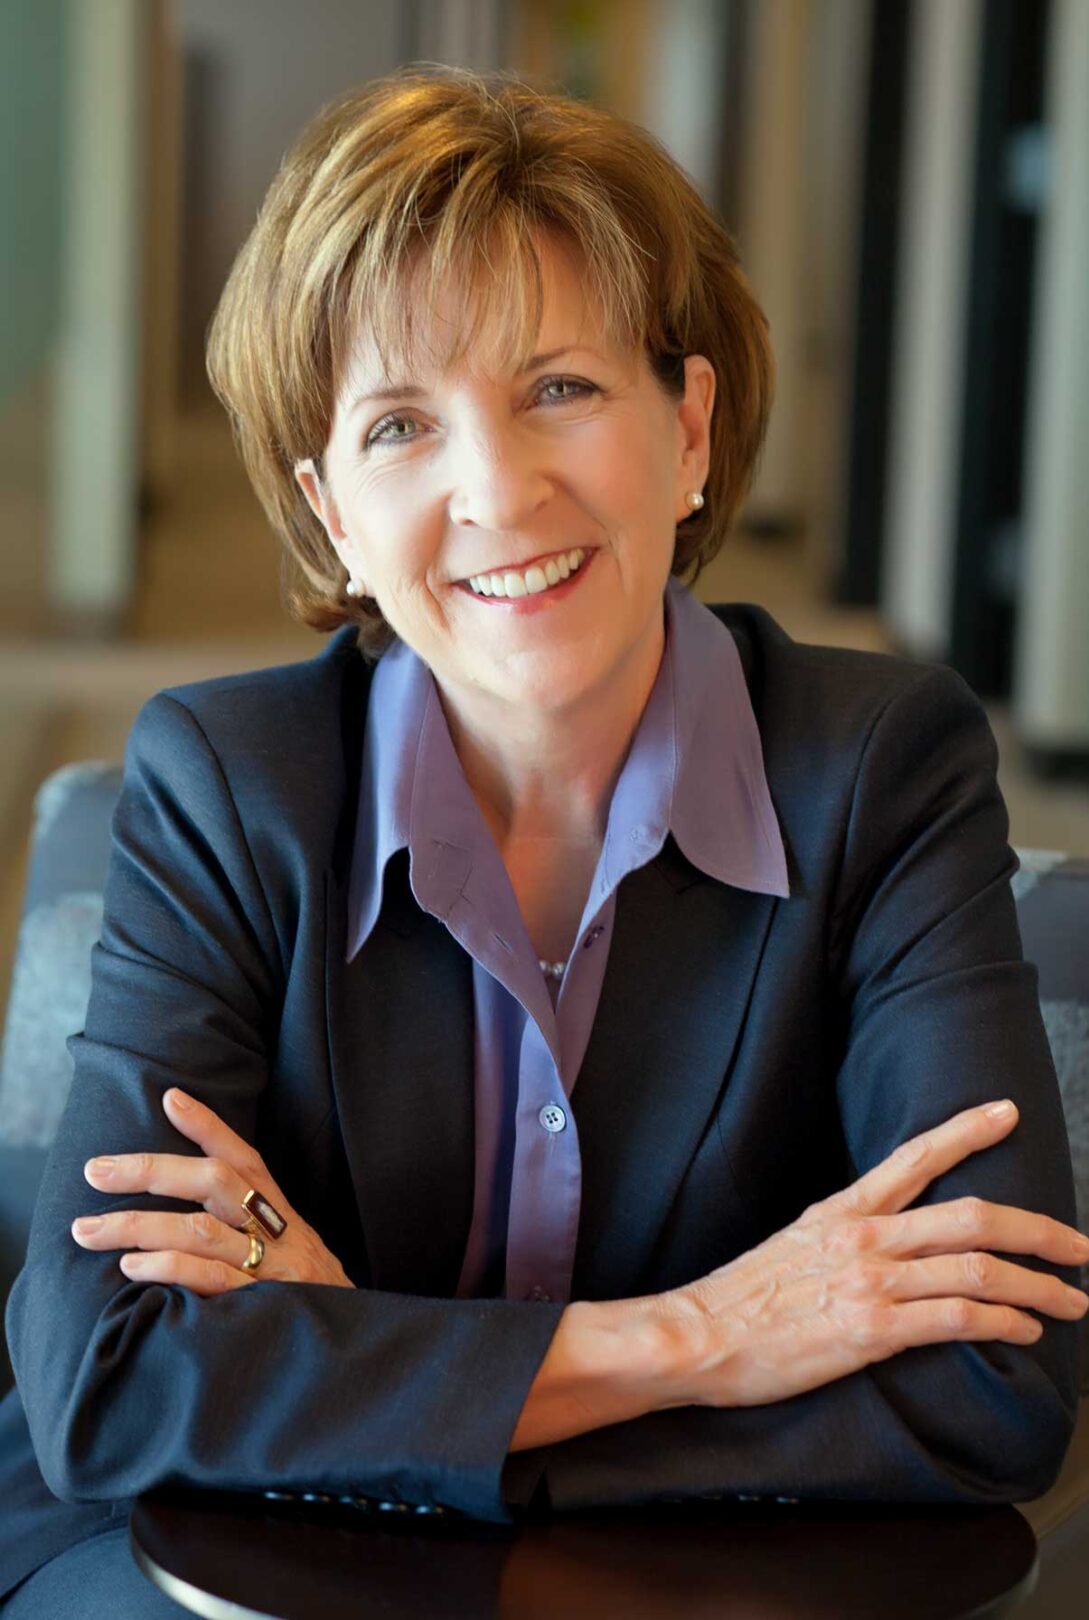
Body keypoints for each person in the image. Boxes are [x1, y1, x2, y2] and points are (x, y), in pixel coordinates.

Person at [1, 63, 1086, 1616]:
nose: (496, 492)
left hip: (700, 1581)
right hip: (216, 1573)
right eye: (398, 426)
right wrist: (708, 1338)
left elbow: (996, 1378)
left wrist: (375, 1376)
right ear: (329, 522)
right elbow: (106, 1378)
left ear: (688, 424)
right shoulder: (223, 782)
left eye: (559, 388)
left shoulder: (877, 771)